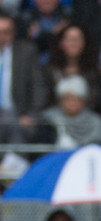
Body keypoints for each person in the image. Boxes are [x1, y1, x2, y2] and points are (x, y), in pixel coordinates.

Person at [0, 6, 48, 141]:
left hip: (18, 116)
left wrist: (31, 115)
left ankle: (11, 163)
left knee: (18, 130)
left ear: (14, 33)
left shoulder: (26, 51)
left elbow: (38, 88)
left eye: (6, 32)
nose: (2, 37)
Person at [41, 74, 101, 146]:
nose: (72, 103)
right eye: (68, 99)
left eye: (76, 99)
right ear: (60, 102)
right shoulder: (50, 120)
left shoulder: (95, 121)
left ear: (83, 101)